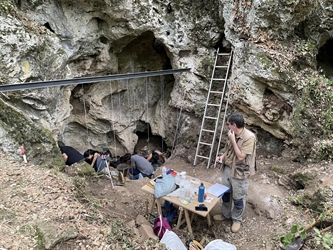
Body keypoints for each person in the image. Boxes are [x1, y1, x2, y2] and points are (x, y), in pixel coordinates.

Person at [213, 113, 256, 233]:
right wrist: (222, 156)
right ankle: (225, 214)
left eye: (228, 124)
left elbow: (241, 156)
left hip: (239, 173)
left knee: (238, 198)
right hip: (227, 168)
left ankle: (236, 219)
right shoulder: (232, 134)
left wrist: (233, 140)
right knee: (226, 194)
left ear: (234, 125)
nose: (227, 126)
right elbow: (228, 149)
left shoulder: (249, 137)